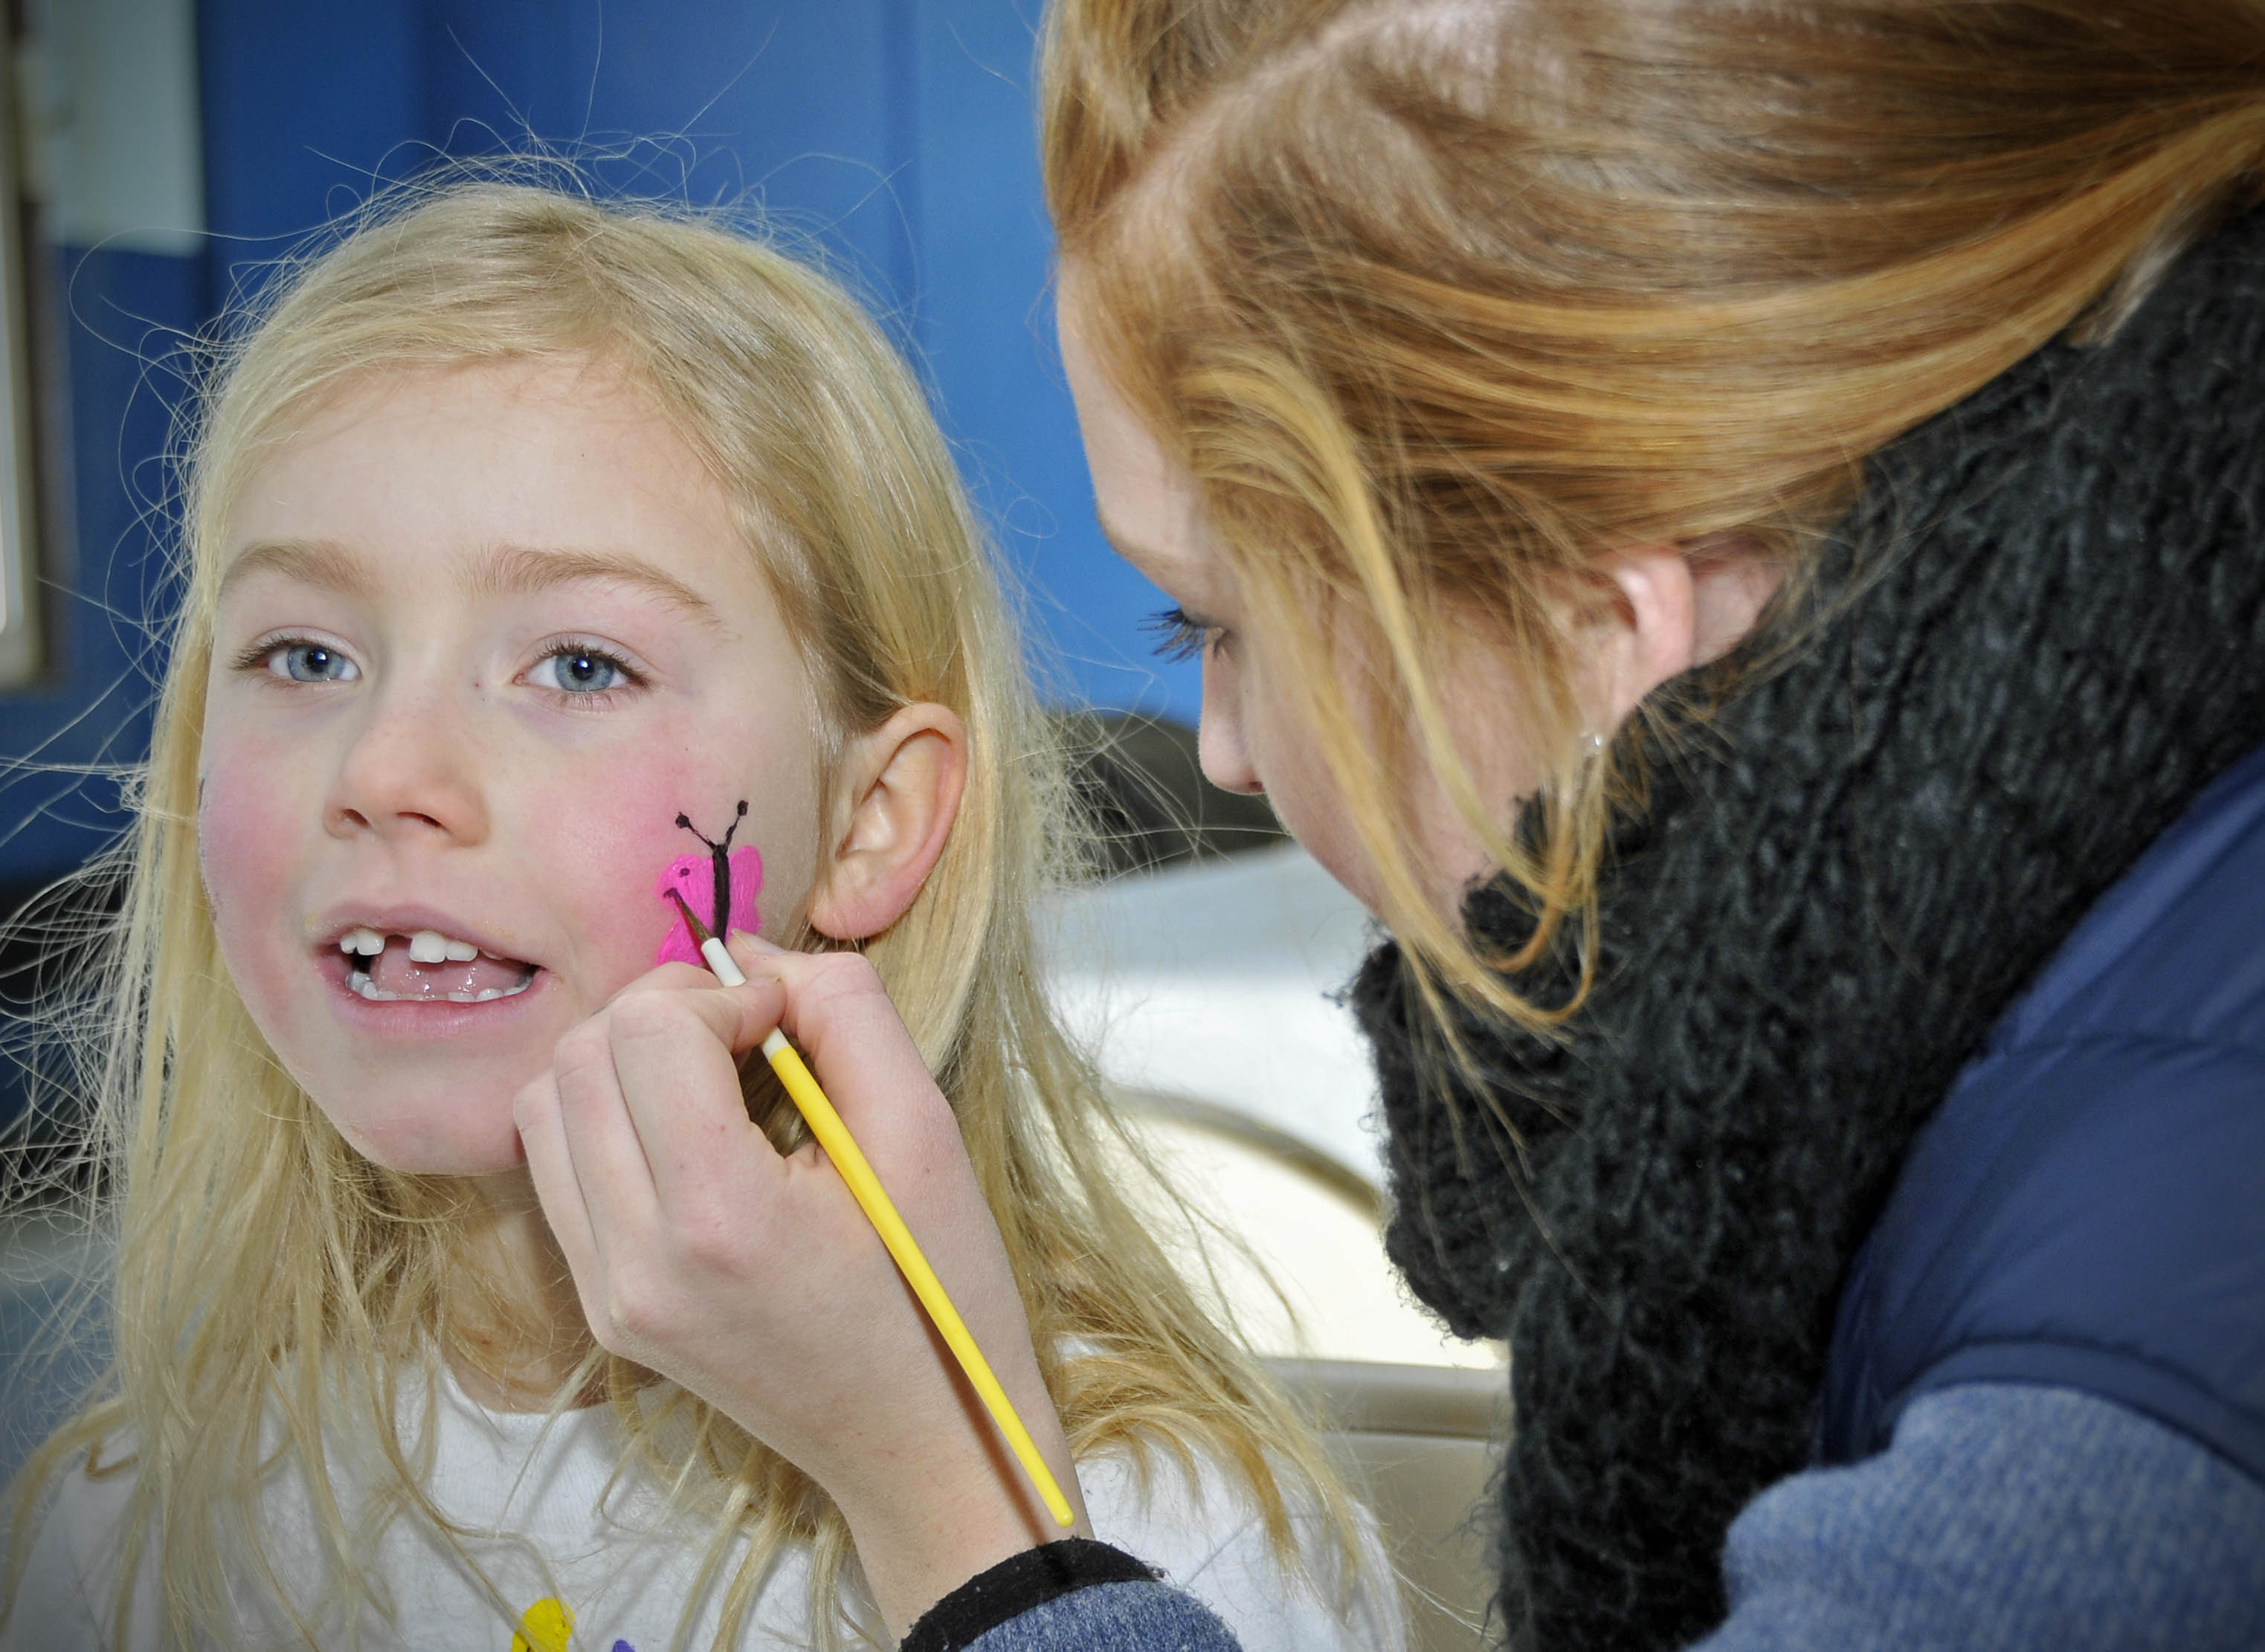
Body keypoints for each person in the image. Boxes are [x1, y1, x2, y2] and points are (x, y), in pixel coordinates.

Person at [502, 4, 2264, 1650]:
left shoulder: (2125, 1397)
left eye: (1218, 625)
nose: (1228, 751)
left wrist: (941, 1484)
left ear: (1601, 627)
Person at [0, 178, 1401, 1652]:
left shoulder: (1153, 1538)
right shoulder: (128, 1530)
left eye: (581, 667)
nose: (385, 772)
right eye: (301, 654)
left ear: (866, 824)